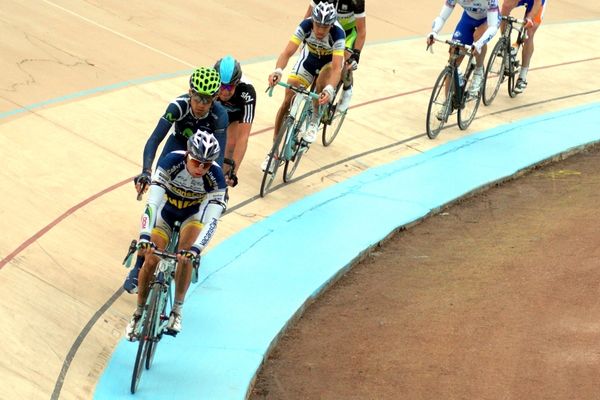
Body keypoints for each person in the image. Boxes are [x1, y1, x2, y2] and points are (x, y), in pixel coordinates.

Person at [123, 66, 227, 295]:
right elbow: (155, 139)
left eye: (207, 100)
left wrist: (219, 191)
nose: (200, 104)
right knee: (159, 204)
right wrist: (146, 171)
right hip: (177, 147)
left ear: (215, 99)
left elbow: (217, 158)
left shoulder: (220, 115)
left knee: (196, 201)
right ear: (189, 93)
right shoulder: (178, 106)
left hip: (203, 156)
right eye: (197, 97)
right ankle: (138, 267)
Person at [125, 130, 227, 340]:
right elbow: (152, 204)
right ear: (187, 155)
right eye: (196, 161)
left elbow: (212, 221)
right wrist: (144, 238)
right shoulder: (171, 162)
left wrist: (195, 250)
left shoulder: (216, 177)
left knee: (185, 256)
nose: (200, 168)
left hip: (193, 213)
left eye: (206, 164)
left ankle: (177, 310)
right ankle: (138, 313)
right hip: (166, 208)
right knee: (151, 259)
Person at [263, 1, 345, 172]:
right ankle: (273, 151)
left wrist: (330, 89)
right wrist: (278, 71)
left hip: (329, 63)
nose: (320, 30)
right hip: (309, 58)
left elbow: (337, 69)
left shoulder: (338, 34)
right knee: (287, 100)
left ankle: (315, 119)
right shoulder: (305, 25)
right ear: (312, 21)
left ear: (331, 25)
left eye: (325, 26)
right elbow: (287, 53)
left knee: (322, 83)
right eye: (317, 25)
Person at [426, 0, 501, 98]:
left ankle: (478, 71)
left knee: (478, 37)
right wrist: (434, 32)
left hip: (488, 19)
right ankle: (446, 104)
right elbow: (442, 17)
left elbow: (492, 27)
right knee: (453, 58)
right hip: (468, 19)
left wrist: (479, 43)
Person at [303, 0, 366, 113]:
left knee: (345, 62)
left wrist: (356, 54)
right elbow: (308, 16)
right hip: (327, 32)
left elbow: (361, 31)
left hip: (348, 35)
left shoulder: (356, 1)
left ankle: (347, 88)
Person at [214, 56, 257, 187]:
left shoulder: (247, 92)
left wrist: (234, 171)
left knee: (231, 143)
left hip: (235, 115)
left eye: (229, 87)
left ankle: (223, 180)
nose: (225, 91)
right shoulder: (211, 85)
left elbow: (243, 137)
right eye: (221, 86)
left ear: (237, 83)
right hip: (218, 109)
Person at [500, 0, 546, 94]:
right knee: (505, 6)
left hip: (536, 2)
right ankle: (504, 42)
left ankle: (522, 76)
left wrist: (530, 18)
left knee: (529, 33)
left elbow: (538, 3)